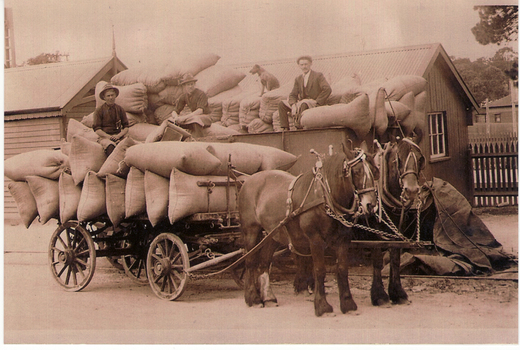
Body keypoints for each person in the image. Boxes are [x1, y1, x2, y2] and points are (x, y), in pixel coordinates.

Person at [278, 55, 332, 130]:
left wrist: (318, 102)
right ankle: (285, 129)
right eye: (302, 65)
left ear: (310, 64)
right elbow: (293, 94)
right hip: (302, 103)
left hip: (313, 103)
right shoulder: (298, 79)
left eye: (306, 64)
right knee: (282, 104)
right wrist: (293, 104)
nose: (304, 67)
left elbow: (327, 89)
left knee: (304, 104)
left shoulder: (318, 75)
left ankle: (299, 127)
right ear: (299, 66)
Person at [171, 73, 212, 138]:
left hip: (205, 117)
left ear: (194, 84)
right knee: (172, 121)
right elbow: (175, 110)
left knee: (195, 119)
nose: (190, 86)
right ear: (184, 86)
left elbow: (200, 111)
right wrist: (176, 118)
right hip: (193, 117)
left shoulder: (201, 94)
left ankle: (199, 139)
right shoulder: (184, 96)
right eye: (188, 84)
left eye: (192, 84)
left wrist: (184, 117)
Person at [92, 84, 129, 156]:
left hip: (118, 136)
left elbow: (126, 127)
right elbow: (97, 129)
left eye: (112, 95)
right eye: (108, 96)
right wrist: (109, 137)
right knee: (110, 147)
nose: (111, 98)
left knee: (127, 147)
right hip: (104, 137)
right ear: (104, 97)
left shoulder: (120, 109)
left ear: (115, 96)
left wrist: (118, 136)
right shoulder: (99, 110)